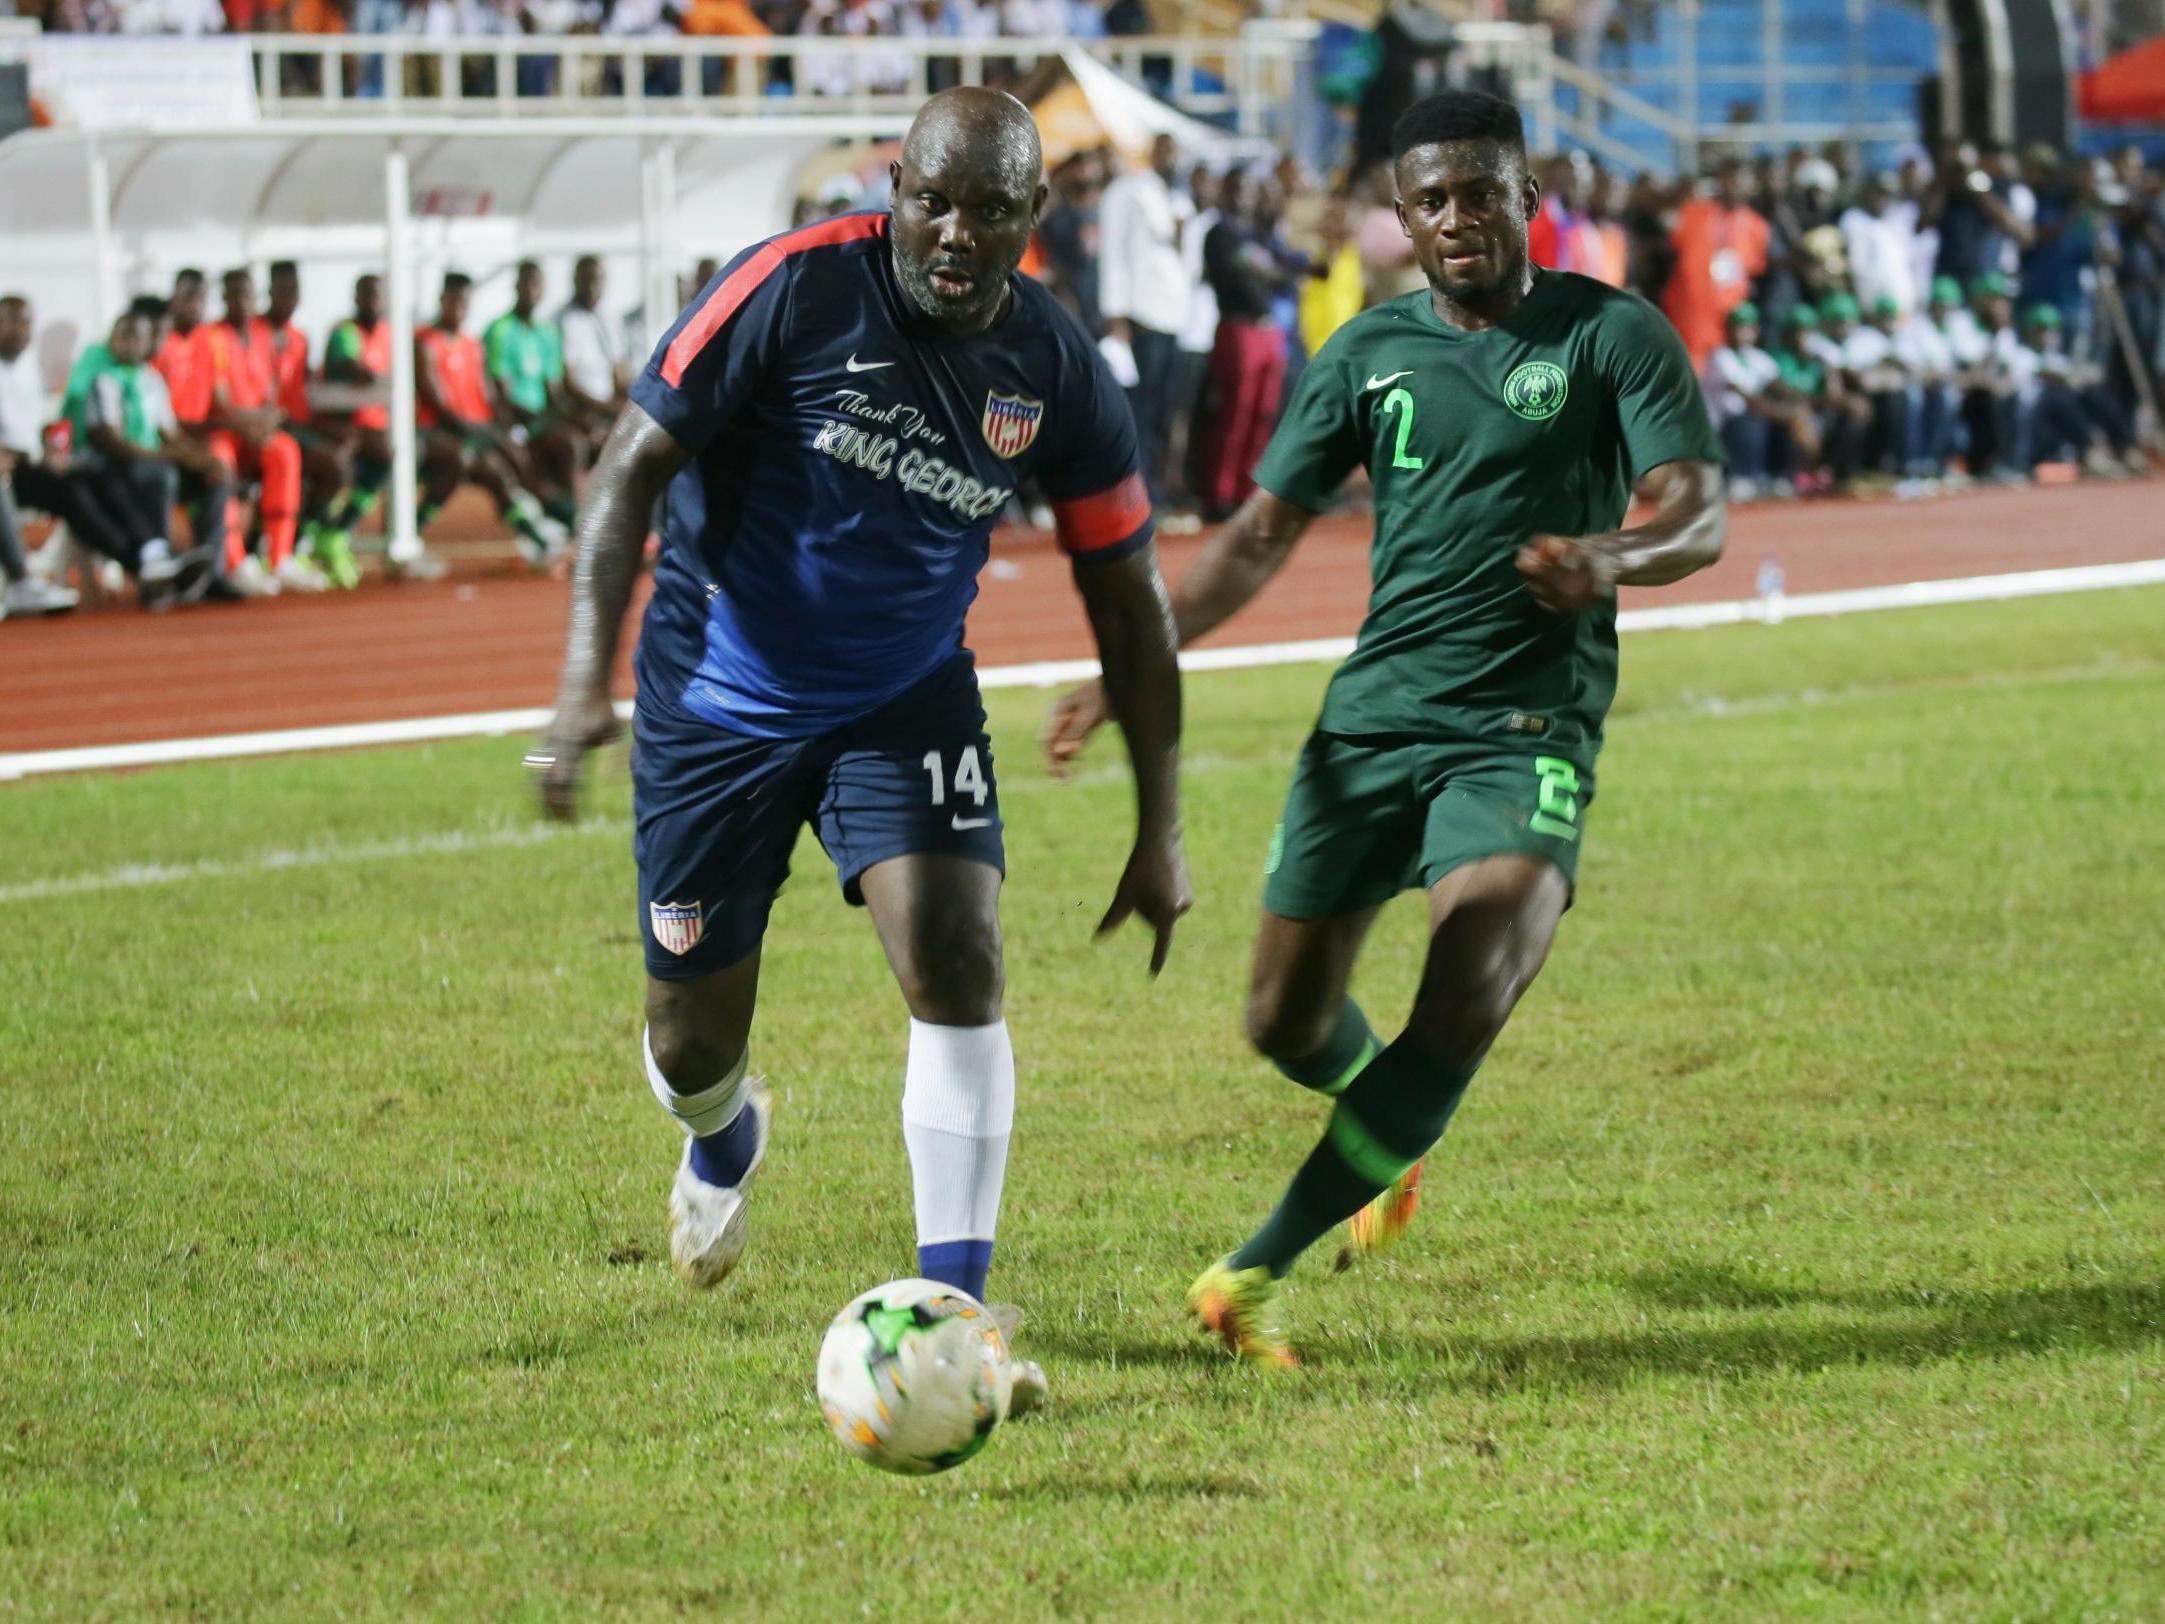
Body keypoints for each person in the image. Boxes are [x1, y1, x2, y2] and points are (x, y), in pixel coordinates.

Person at [528, 89, 1189, 1408]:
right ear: (897, 183)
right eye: (932, 199)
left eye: (989, 209)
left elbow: (1128, 596)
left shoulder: (1055, 371)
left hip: (903, 701)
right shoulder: (789, 286)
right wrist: (577, 687)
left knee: (960, 956)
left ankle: (957, 1315)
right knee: (687, 1043)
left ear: (1031, 217)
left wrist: (1157, 825)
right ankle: (722, 1140)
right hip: (717, 702)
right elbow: (626, 473)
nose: (954, 232)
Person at [1044, 88, 1726, 1366]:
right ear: (1398, 220)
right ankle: (1385, 1140)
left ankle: (1248, 1271)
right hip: (1368, 728)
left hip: (1524, 728)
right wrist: (1129, 659)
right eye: (1430, 200)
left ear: (1528, 198)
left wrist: (1607, 554)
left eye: (1481, 191)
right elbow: (1254, 540)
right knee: (1280, 1023)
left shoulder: (1609, 336)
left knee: (1475, 964)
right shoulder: (1364, 355)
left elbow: (1694, 512)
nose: (1457, 217)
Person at [59, 310, 220, 598]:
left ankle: (211, 572)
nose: (127, 343)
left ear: (148, 344)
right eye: (121, 336)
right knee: (160, 476)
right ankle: (159, 561)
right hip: (113, 464)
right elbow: (108, 440)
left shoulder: (152, 380)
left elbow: (168, 432)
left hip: (149, 462)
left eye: (136, 337)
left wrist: (199, 458)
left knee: (216, 474)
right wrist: (165, 457)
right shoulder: (103, 379)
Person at [415, 271, 570, 566]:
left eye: (465, 303)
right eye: (454, 301)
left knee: (501, 471)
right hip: (439, 431)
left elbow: (487, 397)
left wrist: (501, 427)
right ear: (441, 300)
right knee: (475, 461)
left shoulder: (472, 345)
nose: (459, 309)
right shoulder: (426, 342)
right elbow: (437, 403)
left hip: (474, 429)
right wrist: (486, 433)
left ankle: (544, 536)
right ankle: (411, 532)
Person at [207, 267, 330, 592]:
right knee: (219, 461)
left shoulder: (262, 336)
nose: (242, 302)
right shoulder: (215, 337)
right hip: (225, 432)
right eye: (235, 295)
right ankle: (237, 562)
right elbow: (219, 400)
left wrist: (265, 422)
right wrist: (248, 424)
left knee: (285, 450)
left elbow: (271, 393)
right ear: (223, 298)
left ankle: (280, 557)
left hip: (256, 431)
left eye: (248, 295)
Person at [1098, 132, 1195, 508]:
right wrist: (1115, 315)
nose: (1172, 158)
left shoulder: (1178, 198)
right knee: (1136, 409)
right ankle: (1133, 493)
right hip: (1139, 314)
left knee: (1162, 411)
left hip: (1173, 316)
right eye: (1165, 150)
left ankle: (1153, 490)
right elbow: (1113, 254)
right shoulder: (1127, 192)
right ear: (1152, 153)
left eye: (1176, 152)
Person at [1198, 167, 1293, 518]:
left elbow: (1283, 272)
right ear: (1225, 191)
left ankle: (1248, 488)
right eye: (1236, 188)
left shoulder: (1257, 234)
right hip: (1238, 329)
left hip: (1268, 331)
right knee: (1234, 413)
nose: (1243, 196)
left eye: (1248, 189)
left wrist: (1267, 269)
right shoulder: (1219, 233)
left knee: (1263, 414)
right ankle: (1220, 494)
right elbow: (1241, 273)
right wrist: (1266, 270)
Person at [265, 260, 360, 589]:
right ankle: (294, 542)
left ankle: (320, 535)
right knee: (331, 464)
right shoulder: (256, 335)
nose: (289, 297)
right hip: (274, 427)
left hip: (298, 422)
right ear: (270, 291)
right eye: (282, 290)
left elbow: (304, 389)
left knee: (353, 444)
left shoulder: (300, 338)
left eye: (294, 291)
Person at [0, 296, 87, 618]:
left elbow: (35, 426)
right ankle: (20, 581)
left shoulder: (27, 369)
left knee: (84, 478)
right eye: (15, 322)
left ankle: (145, 558)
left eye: (28, 323)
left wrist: (51, 446)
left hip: (31, 464)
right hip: (9, 469)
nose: (23, 331)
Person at [485, 259, 584, 534]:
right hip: (511, 419)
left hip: (540, 418)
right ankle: (556, 517)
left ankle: (571, 518)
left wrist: (570, 418)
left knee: (571, 443)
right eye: (526, 282)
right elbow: (499, 393)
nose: (531, 290)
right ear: (516, 286)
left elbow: (554, 390)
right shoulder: (500, 330)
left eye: (536, 284)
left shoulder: (548, 333)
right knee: (524, 459)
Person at [311, 273, 396, 583]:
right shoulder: (345, 332)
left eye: (378, 295)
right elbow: (345, 365)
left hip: (374, 425)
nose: (373, 301)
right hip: (342, 424)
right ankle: (319, 534)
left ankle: (335, 532)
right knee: (344, 463)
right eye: (366, 295)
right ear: (355, 297)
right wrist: (363, 373)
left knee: (385, 459)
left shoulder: (389, 333)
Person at [1663, 157, 1769, 369]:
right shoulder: (1692, 212)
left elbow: (1753, 271)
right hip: (1692, 321)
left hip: (1731, 325)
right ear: (1719, 181)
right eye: (1729, 179)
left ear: (1752, 185)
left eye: (1741, 180)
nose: (1734, 186)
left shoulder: (1757, 226)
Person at [1702, 301, 1788, 501]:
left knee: (1780, 418)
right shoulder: (1720, 356)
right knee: (1752, 419)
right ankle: (1740, 478)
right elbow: (1748, 399)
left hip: (1747, 422)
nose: (1742, 333)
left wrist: (1799, 410)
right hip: (1720, 429)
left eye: (1747, 327)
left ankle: (1778, 476)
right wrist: (1789, 416)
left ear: (1756, 330)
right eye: (1737, 327)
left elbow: (1781, 388)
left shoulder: (1759, 358)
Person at [558, 254, 628, 437]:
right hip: (583, 408)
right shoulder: (565, 321)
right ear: (575, 281)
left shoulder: (611, 319)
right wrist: (606, 407)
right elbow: (568, 383)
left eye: (597, 280)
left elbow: (619, 375)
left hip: (610, 404)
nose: (592, 287)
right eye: (586, 280)